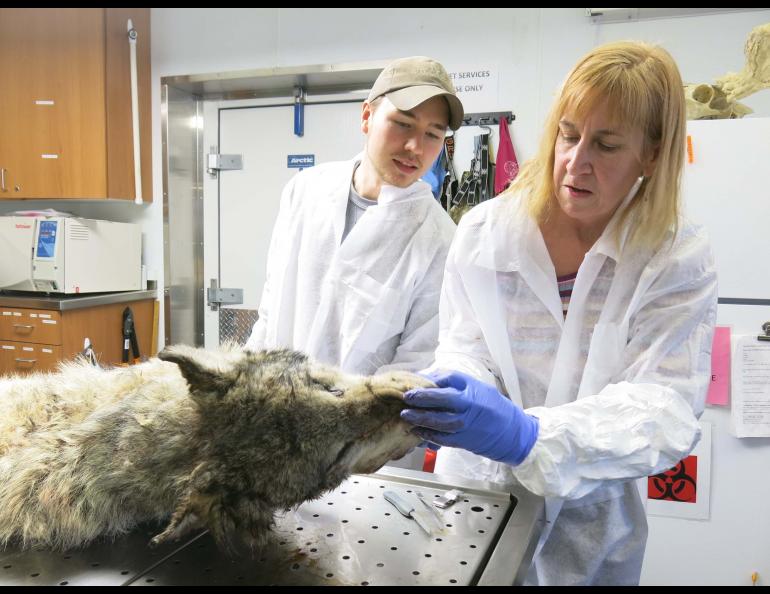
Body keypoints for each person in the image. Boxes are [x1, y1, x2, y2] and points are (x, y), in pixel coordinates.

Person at [401, 42, 717, 586]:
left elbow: (664, 407)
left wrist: (530, 436)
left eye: (607, 144)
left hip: (588, 531)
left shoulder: (673, 255)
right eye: (569, 135)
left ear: (652, 152)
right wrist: (459, 390)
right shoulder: (486, 232)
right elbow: (467, 345)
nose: (576, 161)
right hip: (474, 499)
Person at [245, 56, 462, 375]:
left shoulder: (439, 240)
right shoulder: (305, 191)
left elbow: (418, 363)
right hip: (273, 408)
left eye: (433, 134)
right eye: (403, 123)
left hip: (360, 423)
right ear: (367, 116)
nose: (415, 146)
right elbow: (271, 308)